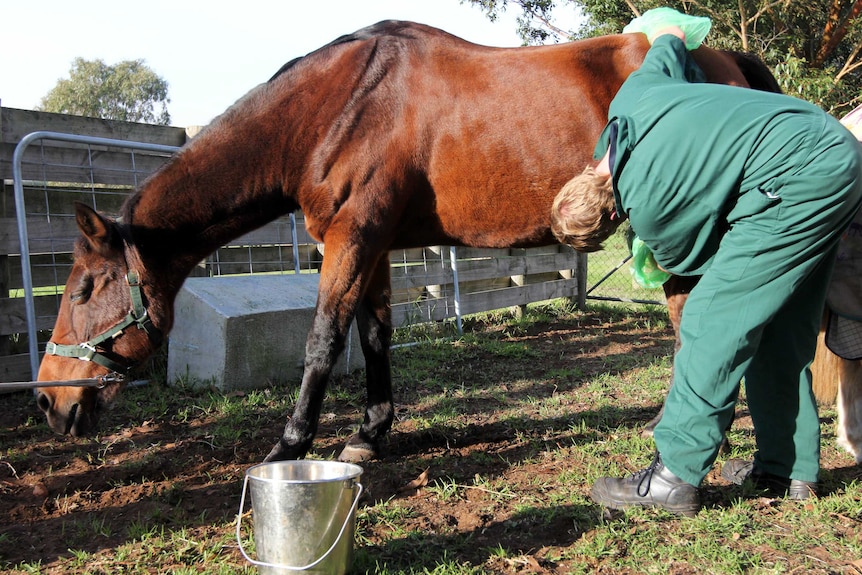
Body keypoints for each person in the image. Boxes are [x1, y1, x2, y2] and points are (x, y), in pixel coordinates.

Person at [551, 23, 862, 516]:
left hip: (796, 180)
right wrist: (670, 33)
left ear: (612, 223)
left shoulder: (649, 209)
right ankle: (787, 470)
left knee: (711, 320)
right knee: (781, 324)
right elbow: (669, 43)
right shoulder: (632, 100)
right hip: (835, 149)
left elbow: (693, 263)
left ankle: (673, 475)